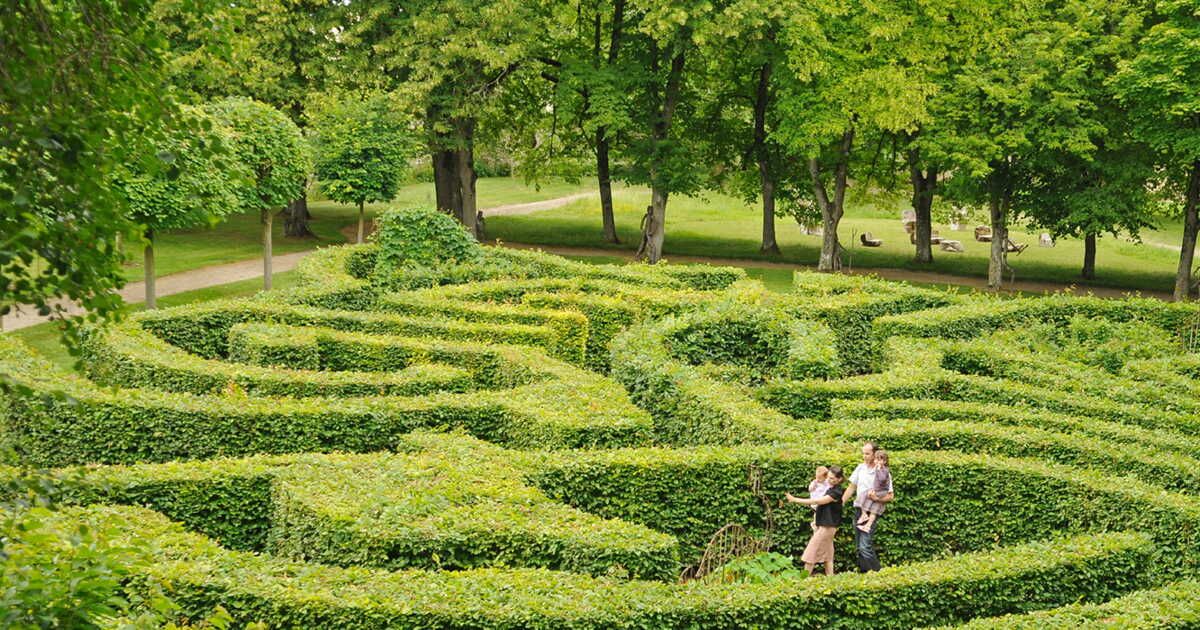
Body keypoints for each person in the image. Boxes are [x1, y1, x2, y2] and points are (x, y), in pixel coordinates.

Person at [785, 465, 845, 576]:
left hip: (827, 527)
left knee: (810, 553)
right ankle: (831, 579)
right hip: (825, 526)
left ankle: (803, 580)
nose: (829, 480)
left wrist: (795, 499)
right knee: (828, 555)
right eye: (828, 477)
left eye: (832, 479)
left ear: (839, 479)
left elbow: (818, 501)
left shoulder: (836, 492)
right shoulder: (830, 488)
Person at [843, 442, 893, 572]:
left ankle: (878, 573)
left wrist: (877, 498)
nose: (864, 456)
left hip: (872, 510)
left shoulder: (883, 472)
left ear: (874, 454)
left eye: (867, 454)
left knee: (865, 546)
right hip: (859, 509)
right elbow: (851, 488)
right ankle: (865, 575)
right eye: (863, 453)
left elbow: (890, 496)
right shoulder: (860, 468)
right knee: (859, 547)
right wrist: (840, 503)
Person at [856, 450, 891, 533]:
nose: (876, 462)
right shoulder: (878, 468)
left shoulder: (884, 470)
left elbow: (882, 479)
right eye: (875, 459)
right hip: (878, 490)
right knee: (874, 510)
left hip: (881, 491)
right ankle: (867, 525)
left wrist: (878, 469)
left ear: (884, 461)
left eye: (879, 460)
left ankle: (864, 514)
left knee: (864, 494)